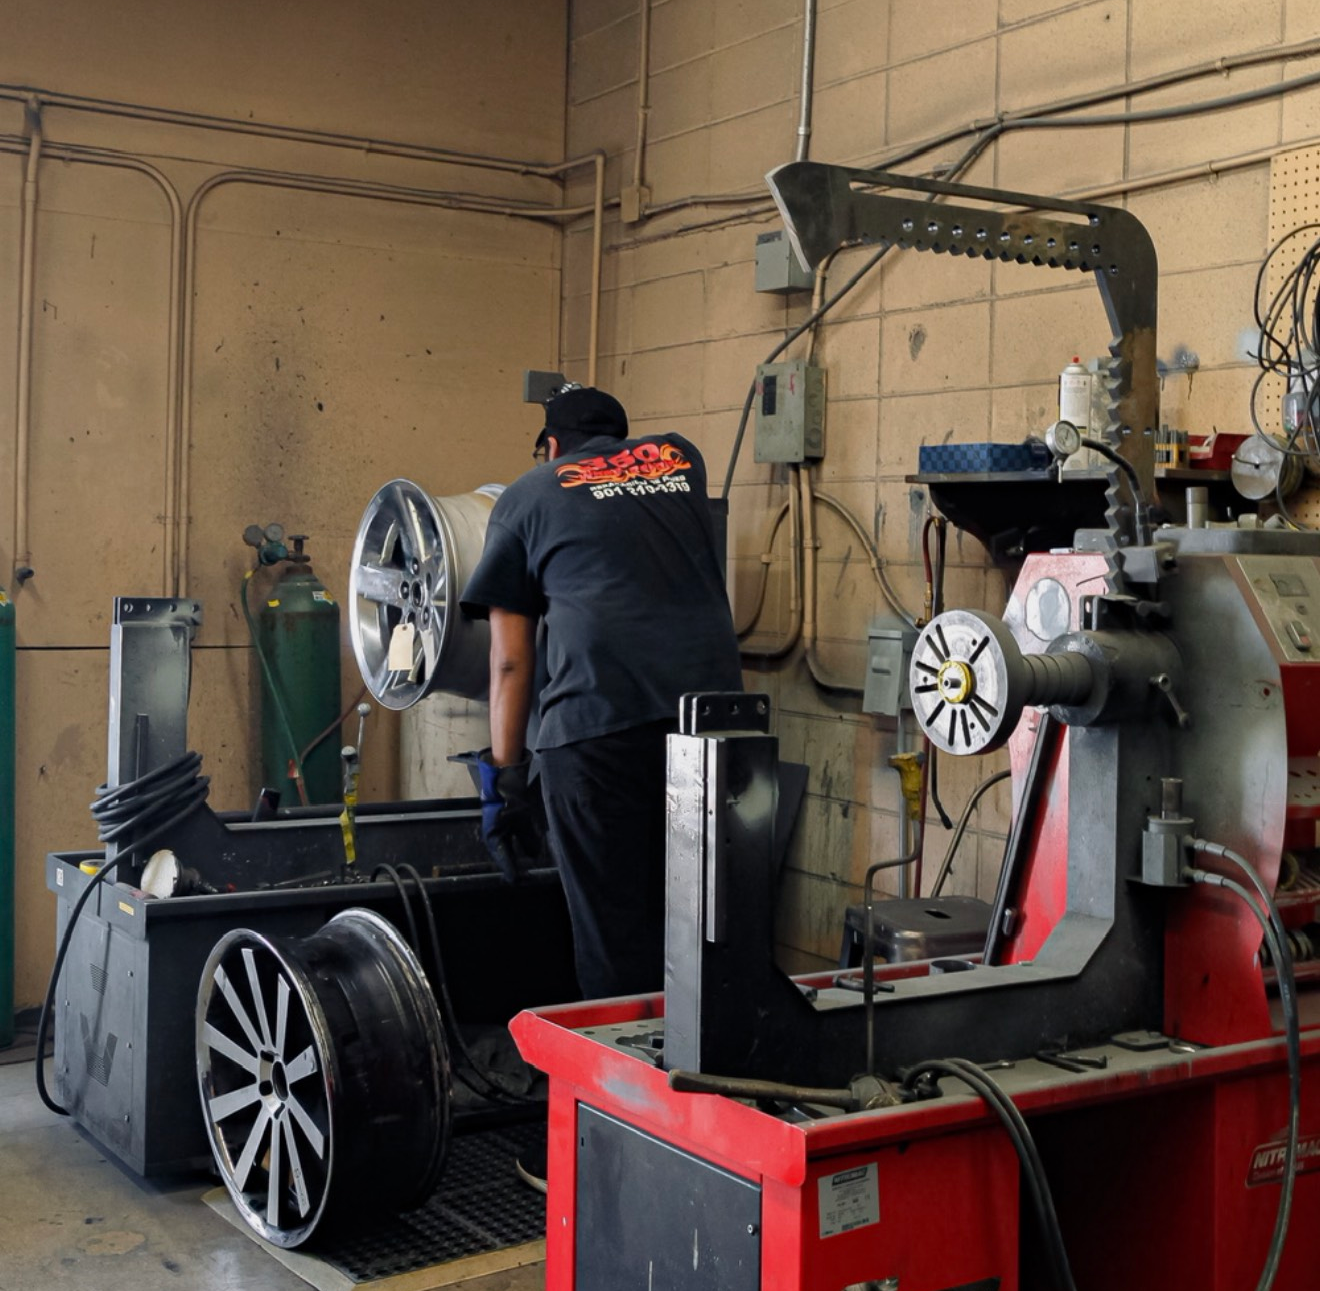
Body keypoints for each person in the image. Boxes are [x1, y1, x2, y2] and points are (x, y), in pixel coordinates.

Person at [460, 386, 742, 999]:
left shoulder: (527, 496)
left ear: (552, 446)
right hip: (715, 725)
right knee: (704, 929)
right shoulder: (680, 459)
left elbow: (510, 661)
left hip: (595, 733)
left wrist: (504, 782)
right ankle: (707, 1079)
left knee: (614, 938)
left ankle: (622, 1084)